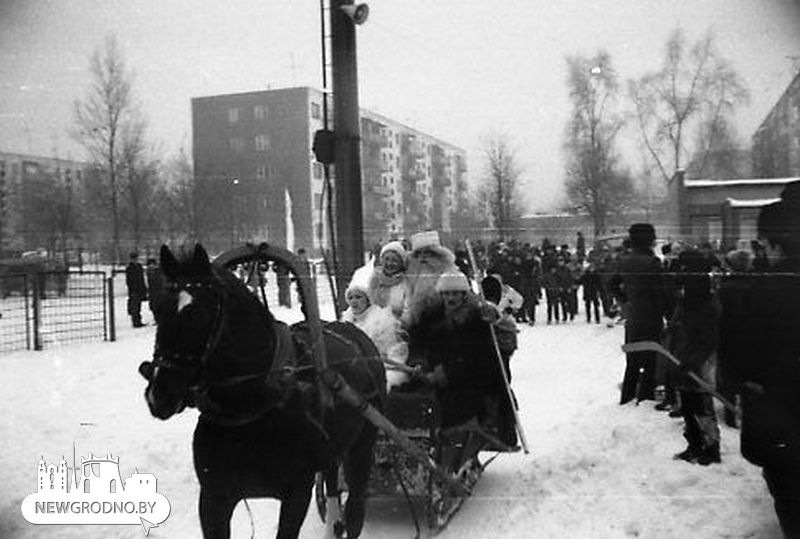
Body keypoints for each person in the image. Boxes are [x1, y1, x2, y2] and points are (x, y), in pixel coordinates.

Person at [730, 191, 800, 537]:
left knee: (789, 492)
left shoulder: (767, 290)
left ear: (776, 244)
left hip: (782, 414)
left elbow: (746, 355)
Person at [408, 271, 515, 446]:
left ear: (464, 295)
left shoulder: (476, 319)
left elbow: (475, 356)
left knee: (452, 404)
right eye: (447, 294)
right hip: (430, 372)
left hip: (466, 379)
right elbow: (417, 342)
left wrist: (443, 374)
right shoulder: (430, 316)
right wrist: (418, 363)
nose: (451, 298)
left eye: (455, 294)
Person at [665, 249, 722, 465]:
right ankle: (694, 444)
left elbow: (709, 339)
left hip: (700, 360)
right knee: (688, 404)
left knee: (701, 405)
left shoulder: (705, 300)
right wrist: (671, 331)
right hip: (683, 356)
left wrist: (694, 360)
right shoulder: (686, 297)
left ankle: (711, 448)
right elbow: (679, 322)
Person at [612, 223, 672, 404]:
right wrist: (666, 314)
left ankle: (627, 397)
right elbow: (660, 292)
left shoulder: (623, 260)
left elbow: (612, 284)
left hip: (633, 316)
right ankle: (645, 398)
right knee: (650, 360)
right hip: (651, 316)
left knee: (632, 361)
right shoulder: (652, 262)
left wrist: (626, 299)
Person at [342, 267, 409, 391]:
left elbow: (395, 350)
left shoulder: (383, 319)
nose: (354, 301)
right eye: (350, 298)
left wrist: (392, 375)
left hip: (383, 368)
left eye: (358, 297)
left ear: (367, 300)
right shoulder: (345, 323)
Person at [403, 230, 461, 329]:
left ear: (438, 255)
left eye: (427, 253)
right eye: (418, 254)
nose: (422, 258)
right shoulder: (409, 276)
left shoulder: (452, 273)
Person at [367, 240, 410, 322]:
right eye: (386, 259)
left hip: (399, 325)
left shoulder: (406, 282)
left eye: (394, 260)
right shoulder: (374, 279)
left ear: (401, 263)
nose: (389, 263)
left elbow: (408, 312)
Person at [125, 251, 147, 328]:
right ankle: (136, 322)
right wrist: (132, 289)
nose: (135, 260)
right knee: (134, 307)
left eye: (136, 258)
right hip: (134, 290)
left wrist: (144, 288)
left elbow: (141, 279)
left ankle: (138, 321)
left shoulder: (139, 266)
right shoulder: (129, 268)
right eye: (134, 258)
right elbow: (129, 280)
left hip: (140, 289)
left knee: (138, 306)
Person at [145, 258, 165, 323]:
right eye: (149, 265)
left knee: (159, 306)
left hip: (159, 292)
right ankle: (157, 319)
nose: (151, 266)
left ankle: (160, 319)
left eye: (152, 264)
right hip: (152, 292)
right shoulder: (148, 272)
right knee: (154, 307)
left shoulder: (159, 271)